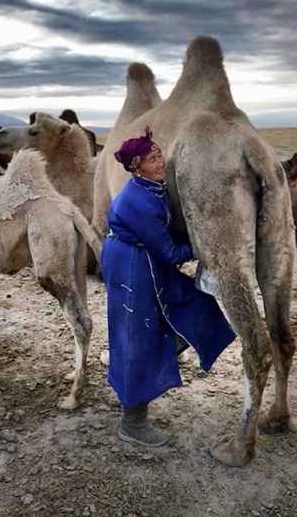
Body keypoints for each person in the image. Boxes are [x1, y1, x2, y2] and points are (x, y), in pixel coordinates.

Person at [101, 127, 236, 446]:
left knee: (193, 301)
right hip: (131, 266)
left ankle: (162, 350)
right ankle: (132, 423)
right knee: (136, 335)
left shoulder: (150, 188)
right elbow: (170, 254)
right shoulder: (139, 202)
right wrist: (204, 245)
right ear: (136, 167)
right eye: (151, 158)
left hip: (140, 258)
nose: (161, 161)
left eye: (160, 153)